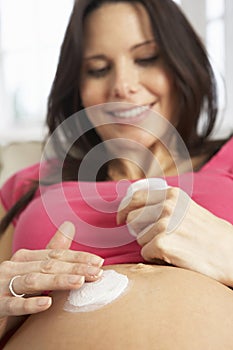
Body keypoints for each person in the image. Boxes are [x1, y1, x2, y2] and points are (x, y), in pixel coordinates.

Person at [1, 0, 233, 348]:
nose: (122, 85)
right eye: (97, 69)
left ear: (182, 63)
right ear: (77, 88)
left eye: (146, 58)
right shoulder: (29, 184)